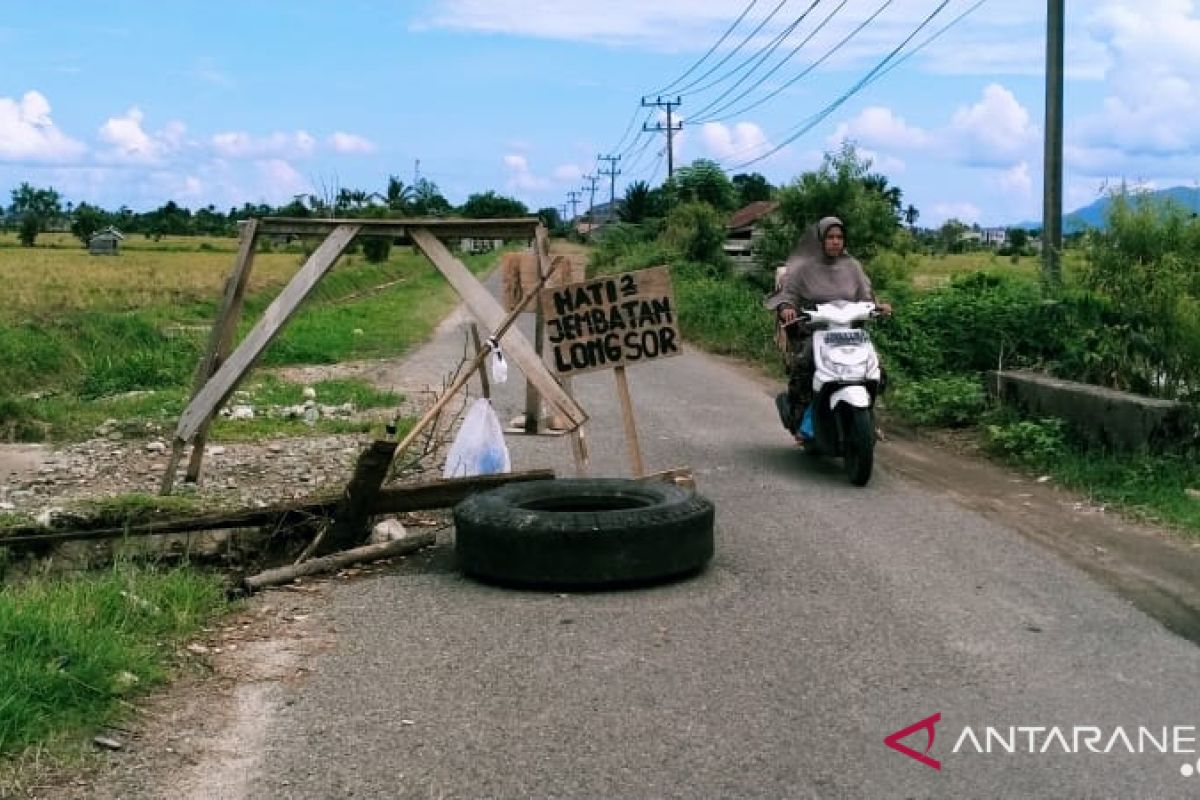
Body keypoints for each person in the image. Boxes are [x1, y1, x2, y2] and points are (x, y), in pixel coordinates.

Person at [764, 216, 890, 442]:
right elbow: (787, 295)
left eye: (839, 237)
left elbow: (866, 296)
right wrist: (786, 308)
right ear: (820, 240)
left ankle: (867, 416)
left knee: (875, 368)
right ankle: (802, 416)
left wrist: (878, 307)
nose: (835, 242)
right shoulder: (804, 268)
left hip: (849, 332)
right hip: (814, 331)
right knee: (805, 365)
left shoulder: (852, 267)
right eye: (830, 237)